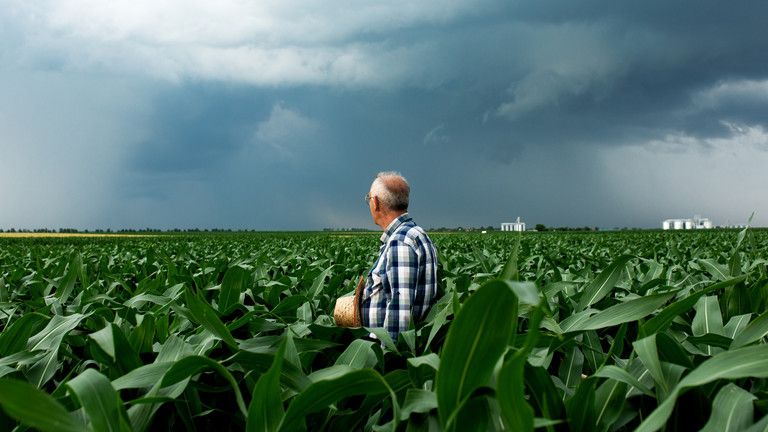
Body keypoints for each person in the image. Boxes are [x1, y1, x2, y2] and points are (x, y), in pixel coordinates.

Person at [361, 171, 439, 341]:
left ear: (375, 203)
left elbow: (400, 314)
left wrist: (386, 359)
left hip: (387, 351)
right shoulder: (415, 233)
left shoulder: (400, 242)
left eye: (368, 199)